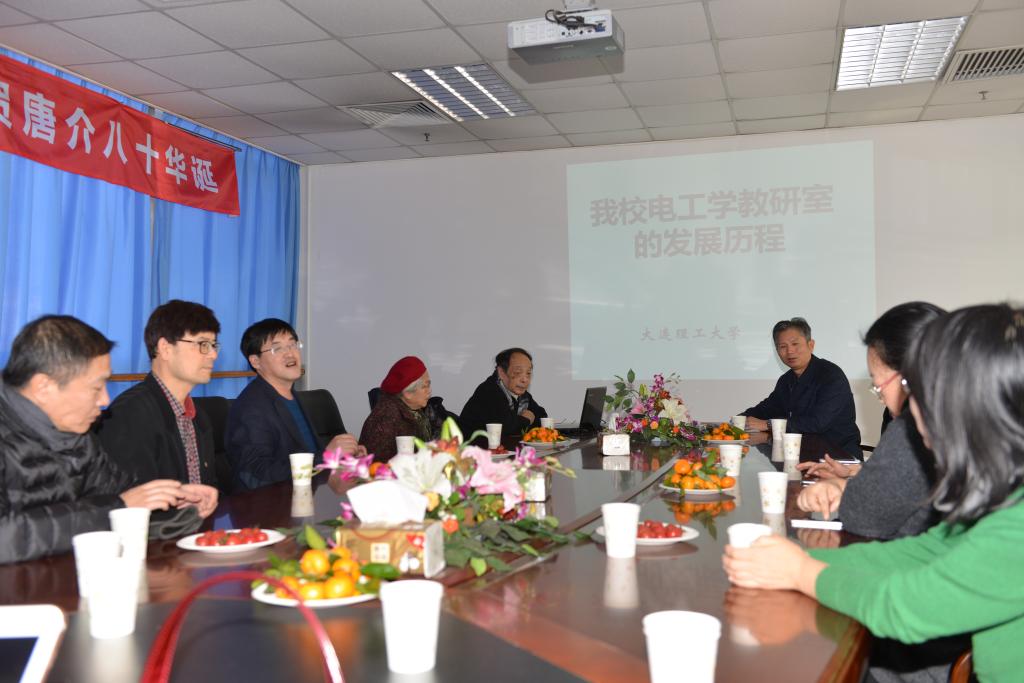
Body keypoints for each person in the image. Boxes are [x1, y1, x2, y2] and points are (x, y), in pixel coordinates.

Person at [723, 304, 1024, 683]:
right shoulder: (1000, 491)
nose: (911, 415)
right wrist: (799, 558)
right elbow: (924, 550)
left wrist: (801, 572)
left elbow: (906, 608)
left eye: (923, 395)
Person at [0, 315, 210, 564]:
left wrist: (172, 497)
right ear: (43, 387)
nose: (105, 400)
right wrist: (117, 508)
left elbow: (122, 492)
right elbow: (6, 537)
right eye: (96, 387)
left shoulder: (79, 438)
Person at [797, 302, 945, 540]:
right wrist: (855, 474)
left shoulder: (912, 427)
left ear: (908, 378)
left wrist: (842, 489)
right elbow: (909, 482)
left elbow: (866, 515)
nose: (881, 398)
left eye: (878, 385)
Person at [96, 300, 223, 492]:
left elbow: (209, 487)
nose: (213, 355)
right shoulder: (129, 414)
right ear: (165, 348)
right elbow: (134, 499)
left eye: (214, 345)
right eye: (203, 344)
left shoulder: (200, 417)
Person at [225, 318, 363, 489]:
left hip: (307, 492)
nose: (290, 353)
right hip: (269, 502)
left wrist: (345, 456)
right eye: (277, 348)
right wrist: (327, 455)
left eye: (292, 345)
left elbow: (311, 454)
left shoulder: (292, 396)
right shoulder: (251, 408)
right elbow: (257, 475)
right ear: (256, 361)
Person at [740, 317, 861, 458]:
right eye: (783, 346)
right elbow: (765, 409)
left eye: (795, 344)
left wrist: (767, 425)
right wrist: (738, 421)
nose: (790, 351)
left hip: (838, 457)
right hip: (800, 455)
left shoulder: (831, 375)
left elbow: (817, 423)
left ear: (811, 345)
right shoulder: (786, 380)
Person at [360, 356, 452, 461]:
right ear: (407, 393)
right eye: (425, 386)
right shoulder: (385, 419)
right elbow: (376, 465)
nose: (429, 391)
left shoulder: (414, 410)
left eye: (429, 385)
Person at [460, 347, 547, 445]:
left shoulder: (523, 396)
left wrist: (523, 420)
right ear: (501, 372)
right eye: (518, 372)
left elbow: (542, 417)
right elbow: (506, 427)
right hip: (471, 450)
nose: (525, 379)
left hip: (502, 450)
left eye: (528, 373)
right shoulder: (489, 391)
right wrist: (526, 420)